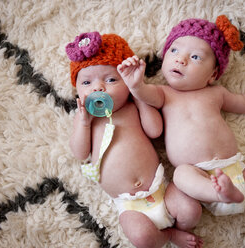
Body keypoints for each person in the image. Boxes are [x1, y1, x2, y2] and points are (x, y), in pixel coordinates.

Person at [118, 15, 245, 248]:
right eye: (174, 50)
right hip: (198, 177)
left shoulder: (216, 94)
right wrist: (135, 85)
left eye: (195, 57)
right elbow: (145, 94)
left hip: (234, 169)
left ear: (212, 75)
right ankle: (221, 194)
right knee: (180, 175)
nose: (181, 60)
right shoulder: (164, 93)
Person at [66, 31, 203, 248]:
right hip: (129, 205)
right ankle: (167, 236)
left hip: (161, 189)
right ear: (77, 89)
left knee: (191, 210)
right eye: (86, 82)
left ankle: (179, 229)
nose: (98, 88)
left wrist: (138, 93)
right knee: (142, 239)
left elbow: (155, 130)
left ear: (126, 82)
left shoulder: (132, 106)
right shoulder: (87, 119)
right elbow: (80, 153)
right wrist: (83, 124)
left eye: (111, 80)